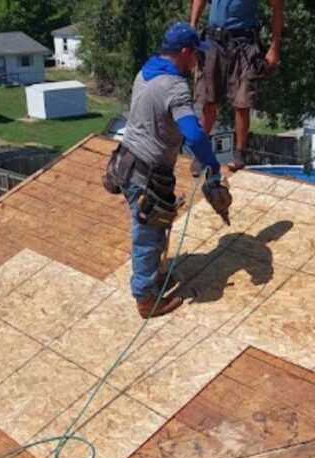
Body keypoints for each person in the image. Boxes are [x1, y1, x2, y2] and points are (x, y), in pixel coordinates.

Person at [103, 22, 228, 319]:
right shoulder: (174, 86)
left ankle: (153, 278)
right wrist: (212, 164)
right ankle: (145, 299)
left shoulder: (146, 72)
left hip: (127, 162)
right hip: (145, 173)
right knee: (146, 234)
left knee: (156, 227)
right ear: (185, 52)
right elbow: (194, 134)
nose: (197, 62)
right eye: (196, 55)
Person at [191, 0, 284, 172]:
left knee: (243, 100)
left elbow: (277, 7)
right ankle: (201, 154)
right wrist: (192, 27)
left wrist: (274, 47)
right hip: (214, 40)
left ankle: (240, 155)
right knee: (208, 99)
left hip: (244, 42)